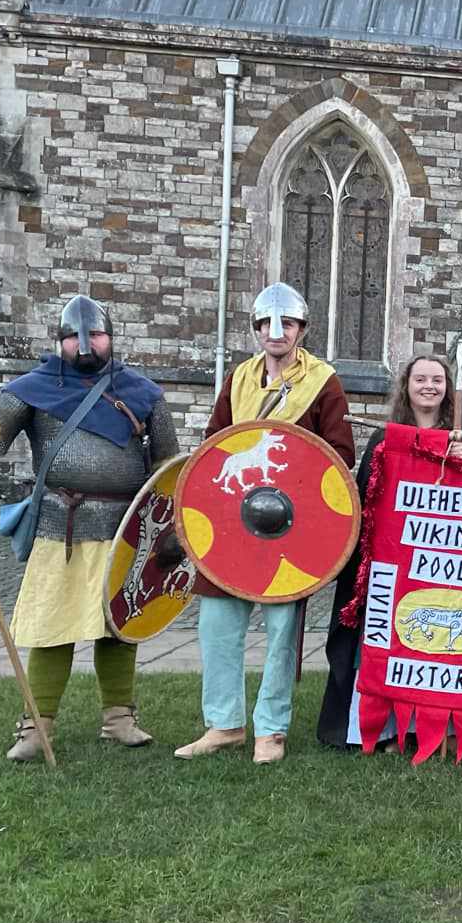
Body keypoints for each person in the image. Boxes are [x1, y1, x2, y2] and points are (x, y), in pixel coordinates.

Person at [0, 295, 176, 758]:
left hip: (126, 529)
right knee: (50, 628)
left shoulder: (143, 394)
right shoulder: (36, 388)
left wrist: (169, 523)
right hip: (63, 526)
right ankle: (36, 728)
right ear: (59, 341)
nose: (84, 344)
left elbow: (166, 465)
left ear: (110, 338)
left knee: (120, 625)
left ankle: (119, 720)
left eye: (94, 334)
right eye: (73, 335)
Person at [176, 282, 355, 766]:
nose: (277, 333)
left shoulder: (323, 381)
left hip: (290, 527)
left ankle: (270, 731)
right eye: (267, 324)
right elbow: (213, 448)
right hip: (232, 521)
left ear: (301, 329)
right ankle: (224, 724)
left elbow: (338, 459)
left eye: (288, 324)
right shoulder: (238, 379)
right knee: (217, 623)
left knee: (280, 630)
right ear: (256, 329)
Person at [316, 353, 456, 753]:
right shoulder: (385, 436)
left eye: (437, 379)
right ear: (406, 387)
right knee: (388, 643)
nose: (429, 386)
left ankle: (427, 728)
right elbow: (367, 494)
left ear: (447, 388)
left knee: (428, 647)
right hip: (391, 561)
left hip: (437, 562)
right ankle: (387, 729)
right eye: (420, 379)